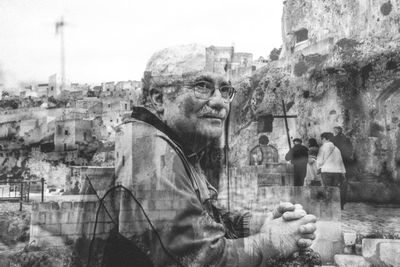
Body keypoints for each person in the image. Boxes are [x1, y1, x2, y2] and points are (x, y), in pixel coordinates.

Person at [103, 45, 317, 267]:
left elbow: (206, 214)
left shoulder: (177, 146)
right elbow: (202, 258)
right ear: (159, 99)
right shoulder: (149, 147)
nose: (219, 102)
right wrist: (270, 241)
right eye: (202, 86)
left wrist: (257, 223)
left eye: (224, 90)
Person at [317, 132, 346, 209]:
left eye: (322, 139)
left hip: (326, 171)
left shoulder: (323, 147)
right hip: (337, 172)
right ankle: (336, 206)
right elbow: (340, 161)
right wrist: (343, 172)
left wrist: (318, 168)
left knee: (327, 189)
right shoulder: (337, 149)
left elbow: (319, 161)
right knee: (335, 189)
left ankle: (327, 206)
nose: (321, 140)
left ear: (324, 139)